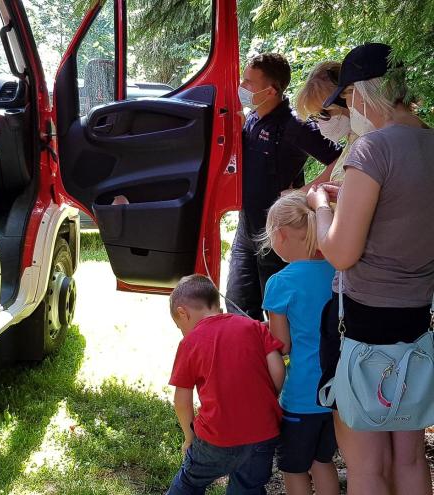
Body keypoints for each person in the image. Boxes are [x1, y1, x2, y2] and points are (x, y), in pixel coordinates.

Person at [306, 42, 434, 495]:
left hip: (363, 321)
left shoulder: (371, 150)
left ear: (363, 93)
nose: (347, 106)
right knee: (411, 456)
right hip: (419, 317)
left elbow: (340, 252)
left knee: (365, 465)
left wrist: (322, 206)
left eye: (348, 97)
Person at [226, 53, 342, 321]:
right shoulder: (252, 119)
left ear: (271, 90)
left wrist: (305, 192)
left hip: (280, 232)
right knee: (238, 308)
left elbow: (339, 160)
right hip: (247, 230)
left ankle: (281, 362)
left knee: (278, 314)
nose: (241, 87)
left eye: (248, 82)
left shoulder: (295, 125)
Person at [166, 274, 285, 494]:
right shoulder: (254, 327)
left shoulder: (190, 342)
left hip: (216, 438)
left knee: (189, 482)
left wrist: (189, 437)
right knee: (248, 488)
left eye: (179, 325)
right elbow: (278, 370)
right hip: (264, 434)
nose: (182, 331)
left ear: (183, 312)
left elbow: (181, 401)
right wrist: (266, 398)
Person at [260, 191, 339, 495]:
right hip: (336, 392)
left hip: (301, 395)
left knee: (294, 469)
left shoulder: (280, 283)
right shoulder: (339, 269)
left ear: (279, 235)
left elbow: (281, 344)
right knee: (323, 462)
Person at [296, 61, 358, 182]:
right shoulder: (353, 137)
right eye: (315, 117)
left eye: (323, 113)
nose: (320, 122)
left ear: (345, 99)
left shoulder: (370, 141)